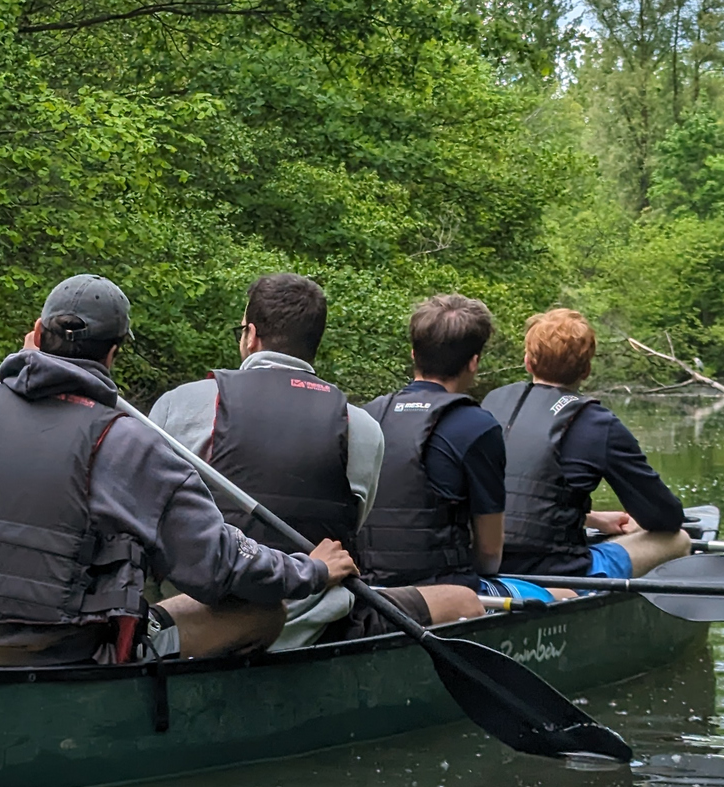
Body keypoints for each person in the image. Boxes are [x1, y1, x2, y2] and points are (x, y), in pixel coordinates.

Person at [0, 274, 356, 668]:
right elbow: (219, 567)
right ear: (113, 353)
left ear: (36, 335)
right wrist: (310, 570)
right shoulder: (130, 444)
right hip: (64, 658)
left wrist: (22, 373)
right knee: (260, 612)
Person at [150, 272, 486, 649]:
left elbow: (151, 520)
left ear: (251, 336)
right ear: (314, 345)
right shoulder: (359, 425)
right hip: (316, 621)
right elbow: (352, 523)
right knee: (464, 600)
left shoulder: (180, 405)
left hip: (200, 621)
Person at [482, 308, 691, 580]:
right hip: (556, 570)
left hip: (484, 560)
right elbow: (665, 519)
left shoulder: (491, 403)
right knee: (679, 539)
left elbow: (512, 494)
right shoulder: (598, 424)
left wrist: (590, 518)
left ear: (528, 363)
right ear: (587, 370)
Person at [357, 292, 509, 595]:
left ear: (414, 353)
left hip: (368, 590)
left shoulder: (367, 415)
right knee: (563, 594)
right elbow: (490, 554)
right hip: (442, 592)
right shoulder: (479, 426)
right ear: (474, 363)